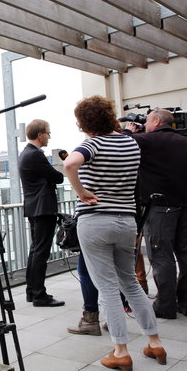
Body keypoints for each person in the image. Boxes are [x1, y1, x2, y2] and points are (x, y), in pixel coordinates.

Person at [64, 95, 165, 370]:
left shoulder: (91, 144)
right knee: (130, 283)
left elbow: (70, 164)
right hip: (126, 221)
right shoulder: (130, 142)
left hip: (96, 221)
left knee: (107, 287)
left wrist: (81, 192)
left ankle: (120, 350)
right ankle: (154, 342)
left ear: (85, 122)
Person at [127, 108, 187, 319]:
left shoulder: (147, 140)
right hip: (184, 207)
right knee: (184, 255)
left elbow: (121, 142)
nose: (146, 125)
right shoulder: (183, 140)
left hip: (161, 208)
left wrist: (130, 130)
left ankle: (166, 306)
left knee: (161, 256)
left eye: (149, 121)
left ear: (158, 121)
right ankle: (185, 302)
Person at [18, 119, 65, 307]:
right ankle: (39, 294)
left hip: (34, 207)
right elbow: (57, 177)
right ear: (40, 135)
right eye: (47, 133)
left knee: (35, 250)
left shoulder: (25, 154)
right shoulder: (35, 155)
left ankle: (32, 291)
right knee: (41, 252)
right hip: (43, 208)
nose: (49, 136)